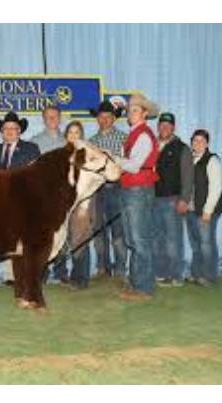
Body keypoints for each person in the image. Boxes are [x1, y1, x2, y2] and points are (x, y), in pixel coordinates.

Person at [117, 94, 160, 301]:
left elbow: (134, 165)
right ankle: (136, 284)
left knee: (139, 239)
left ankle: (144, 288)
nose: (130, 113)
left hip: (139, 189)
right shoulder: (134, 134)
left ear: (145, 113)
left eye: (135, 110)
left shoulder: (143, 135)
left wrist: (113, 159)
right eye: (129, 110)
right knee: (133, 239)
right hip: (131, 188)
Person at [0, 111, 40, 284]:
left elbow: (36, 176)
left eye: (14, 128)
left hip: (23, 201)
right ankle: (10, 275)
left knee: (25, 239)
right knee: (6, 238)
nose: (10, 131)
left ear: (19, 131)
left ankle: (27, 273)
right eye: (6, 128)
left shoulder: (31, 149)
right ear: (2, 132)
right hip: (0, 201)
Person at [88, 101, 128, 279]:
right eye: (101, 117)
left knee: (118, 231)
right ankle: (102, 268)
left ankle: (120, 269)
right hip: (97, 190)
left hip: (117, 188)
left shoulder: (124, 138)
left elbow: (129, 164)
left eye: (108, 117)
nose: (104, 120)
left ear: (114, 118)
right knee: (98, 231)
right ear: (97, 119)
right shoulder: (91, 142)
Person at [153, 112, 194, 287]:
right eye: (162, 125)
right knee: (157, 238)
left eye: (168, 125)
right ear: (158, 126)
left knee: (173, 238)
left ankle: (176, 274)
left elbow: (188, 176)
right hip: (153, 199)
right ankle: (161, 273)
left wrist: (184, 199)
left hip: (173, 199)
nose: (164, 128)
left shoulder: (182, 148)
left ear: (173, 128)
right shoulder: (152, 146)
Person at [30, 106, 69, 284]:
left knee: (62, 232)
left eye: (54, 116)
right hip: (43, 194)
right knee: (44, 234)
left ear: (60, 118)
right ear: (43, 119)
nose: (52, 119)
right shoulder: (35, 142)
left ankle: (61, 271)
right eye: (48, 117)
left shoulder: (68, 141)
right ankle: (42, 271)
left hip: (63, 193)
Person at [185, 129, 222, 287]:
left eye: (202, 141)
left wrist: (208, 211)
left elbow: (216, 188)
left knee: (206, 244)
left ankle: (209, 276)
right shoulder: (189, 159)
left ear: (207, 143)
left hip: (206, 210)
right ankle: (196, 273)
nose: (198, 143)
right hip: (191, 209)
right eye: (195, 140)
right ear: (191, 142)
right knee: (196, 244)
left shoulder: (212, 160)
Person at [64, 121, 96, 290]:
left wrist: (85, 205)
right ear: (66, 136)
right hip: (67, 202)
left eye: (77, 132)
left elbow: (92, 180)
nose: (73, 135)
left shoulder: (87, 155)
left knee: (80, 238)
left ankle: (81, 279)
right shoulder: (64, 154)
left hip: (83, 201)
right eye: (70, 132)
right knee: (71, 238)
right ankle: (75, 276)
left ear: (81, 136)